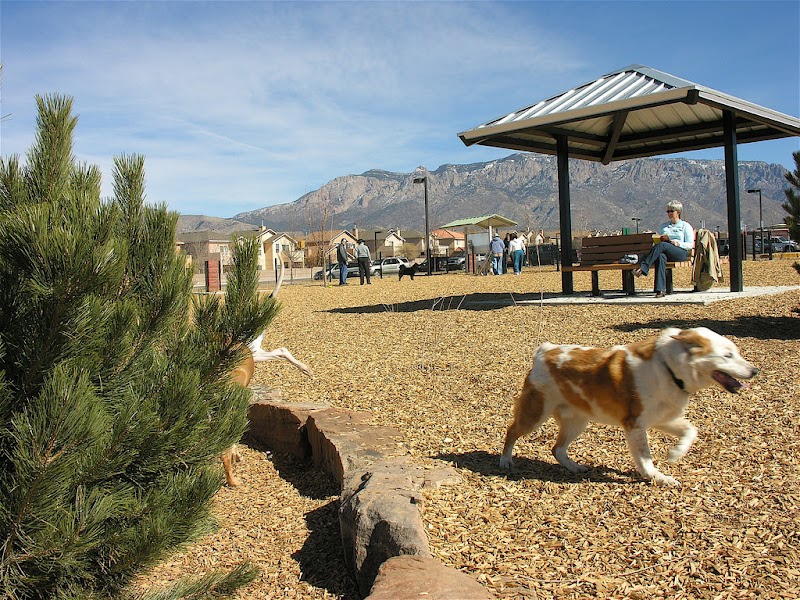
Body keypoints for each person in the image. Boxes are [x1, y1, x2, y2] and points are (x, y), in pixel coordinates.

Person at [635, 200, 694, 297]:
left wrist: (678, 243)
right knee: (661, 257)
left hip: (680, 252)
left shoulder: (685, 226)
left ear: (678, 212)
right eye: (668, 211)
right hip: (665, 251)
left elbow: (689, 244)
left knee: (663, 245)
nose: (669, 213)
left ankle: (643, 268)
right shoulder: (664, 226)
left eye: (671, 211)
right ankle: (660, 290)